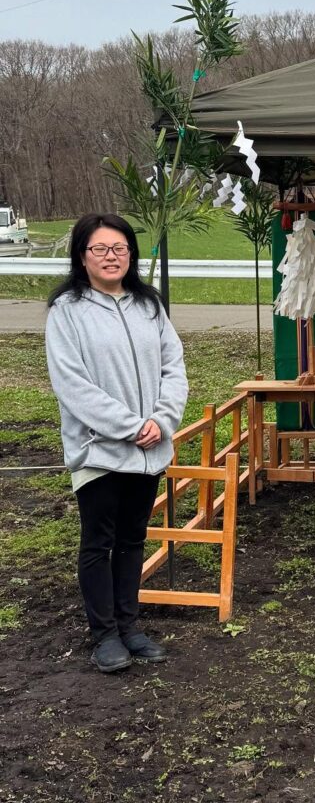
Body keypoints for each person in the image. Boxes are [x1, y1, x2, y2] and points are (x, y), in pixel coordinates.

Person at [45, 214, 188, 673]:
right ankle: (103, 634)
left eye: (119, 248)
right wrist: (129, 425)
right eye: (100, 249)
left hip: (148, 449)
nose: (111, 257)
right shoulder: (68, 310)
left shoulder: (149, 305)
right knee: (99, 542)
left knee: (132, 539)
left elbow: (174, 367)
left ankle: (130, 626)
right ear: (82, 256)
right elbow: (73, 384)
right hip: (100, 449)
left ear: (131, 253)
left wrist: (162, 420)